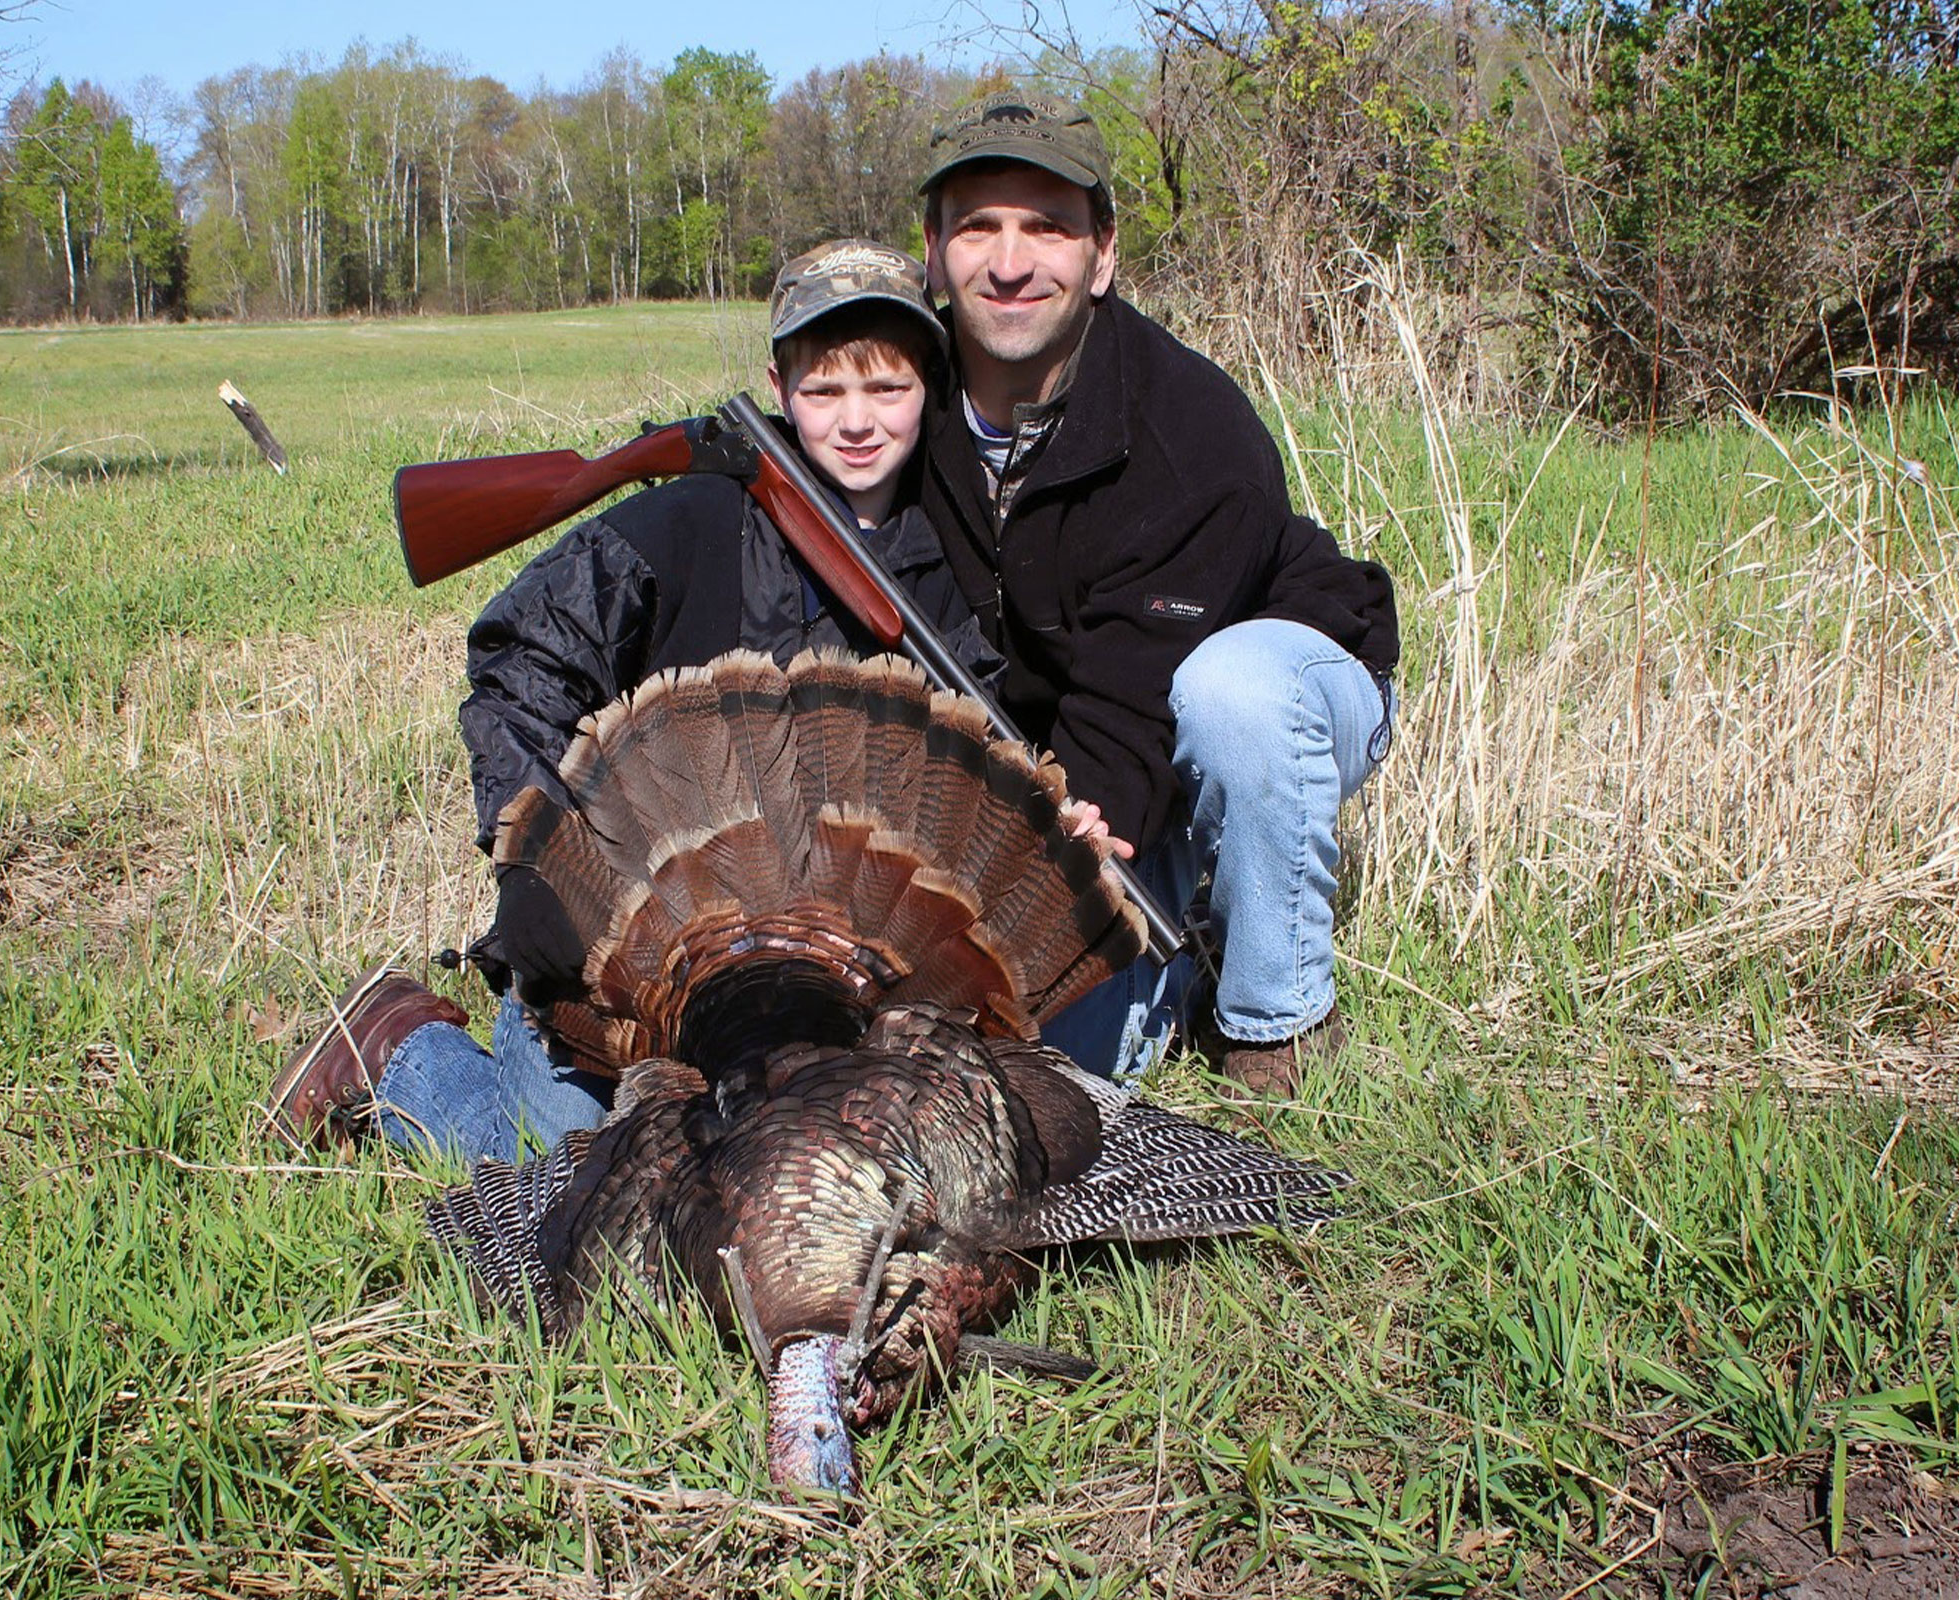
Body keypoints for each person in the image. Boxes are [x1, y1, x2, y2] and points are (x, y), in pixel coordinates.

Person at [266, 238, 1000, 1159]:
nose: (856, 421)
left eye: (886, 389)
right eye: (824, 391)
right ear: (778, 386)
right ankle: (402, 1048)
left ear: (929, 385)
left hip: (826, 971)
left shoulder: (949, 558)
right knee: (570, 1163)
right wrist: (533, 866)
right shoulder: (689, 518)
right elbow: (520, 659)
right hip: (630, 949)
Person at [913, 95, 1402, 1096]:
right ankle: (1179, 933)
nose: (1010, 262)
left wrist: (1041, 880)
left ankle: (1275, 1023)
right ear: (932, 250)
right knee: (985, 1052)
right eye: (979, 226)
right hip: (1075, 740)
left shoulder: (1190, 428)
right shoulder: (892, 405)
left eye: (1047, 225)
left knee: (1233, 698)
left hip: (1269, 693)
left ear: (1101, 255)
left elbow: (1132, 708)